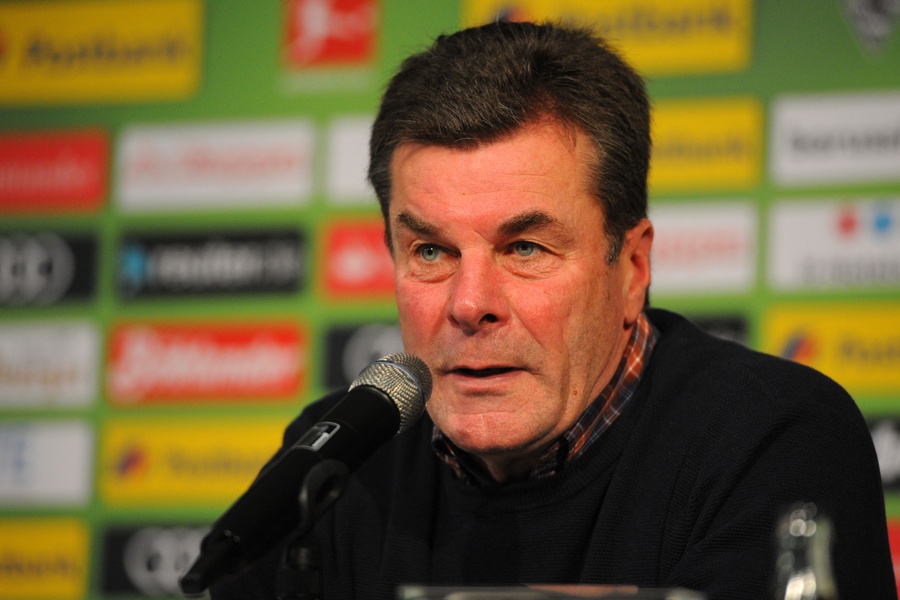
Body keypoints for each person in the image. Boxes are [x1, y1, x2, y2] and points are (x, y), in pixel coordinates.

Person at [210, 20, 896, 599]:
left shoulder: (773, 441)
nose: (469, 304)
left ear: (631, 269)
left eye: (526, 247)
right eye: (430, 251)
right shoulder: (336, 465)